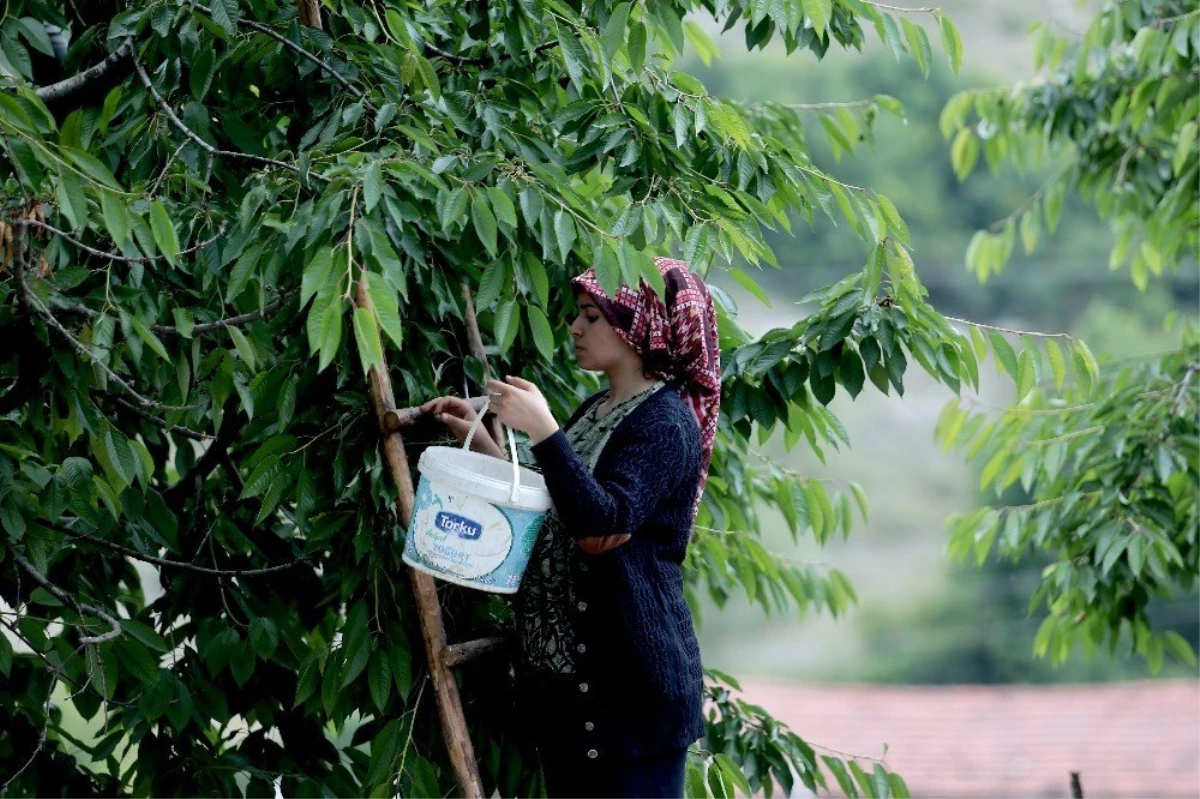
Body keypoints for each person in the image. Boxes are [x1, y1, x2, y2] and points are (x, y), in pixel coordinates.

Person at [421, 257, 721, 798]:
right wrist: (486, 444)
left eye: (592, 317)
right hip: (574, 699)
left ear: (640, 327)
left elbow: (600, 525)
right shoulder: (602, 406)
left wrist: (541, 427)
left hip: (627, 700)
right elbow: (557, 498)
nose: (576, 329)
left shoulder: (665, 423)